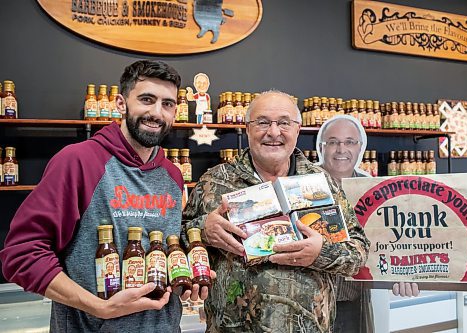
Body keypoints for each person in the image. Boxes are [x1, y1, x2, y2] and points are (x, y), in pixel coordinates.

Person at [0, 60, 213, 332]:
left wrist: (186, 274)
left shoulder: (172, 174)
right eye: (146, 99)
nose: (157, 113)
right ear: (121, 103)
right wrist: (99, 306)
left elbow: (162, 247)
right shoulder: (78, 161)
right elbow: (22, 254)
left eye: (167, 104)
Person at [183, 90, 370, 332]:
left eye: (283, 123)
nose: (273, 132)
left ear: (297, 129)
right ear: (248, 128)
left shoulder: (323, 182)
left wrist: (320, 252)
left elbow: (358, 251)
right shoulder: (214, 182)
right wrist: (202, 229)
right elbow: (176, 239)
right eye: (262, 122)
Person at [316, 115, 419, 333]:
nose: (341, 149)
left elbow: (391, 243)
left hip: (352, 303)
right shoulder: (301, 184)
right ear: (321, 146)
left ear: (361, 147)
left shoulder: (376, 191)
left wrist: (403, 275)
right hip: (308, 299)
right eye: (333, 142)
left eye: (350, 142)